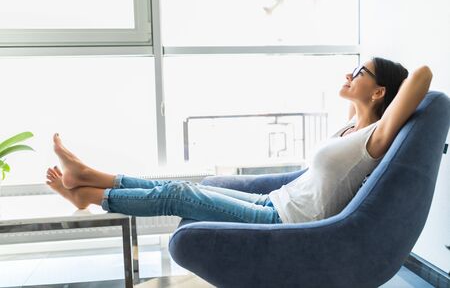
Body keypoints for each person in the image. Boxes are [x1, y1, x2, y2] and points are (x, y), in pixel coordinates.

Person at [46, 57, 433, 224]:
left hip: (285, 220)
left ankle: (90, 196)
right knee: (186, 187)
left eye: (359, 71)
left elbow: (423, 75)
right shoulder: (352, 124)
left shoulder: (375, 138)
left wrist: (381, 88)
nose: (349, 74)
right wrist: (360, 81)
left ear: (381, 92)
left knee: (181, 195)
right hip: (275, 200)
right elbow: (364, 98)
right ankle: (88, 174)